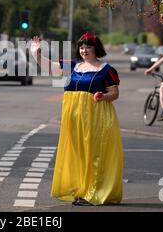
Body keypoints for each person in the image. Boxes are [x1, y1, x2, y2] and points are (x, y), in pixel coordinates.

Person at [30, 32, 123, 206]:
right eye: (81, 47)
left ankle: (94, 192)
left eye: (88, 47)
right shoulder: (73, 66)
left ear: (96, 49)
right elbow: (50, 67)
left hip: (97, 118)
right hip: (73, 118)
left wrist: (102, 96)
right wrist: (36, 54)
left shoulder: (106, 70)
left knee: (95, 155)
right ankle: (81, 189)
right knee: (78, 154)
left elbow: (115, 93)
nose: (84, 50)